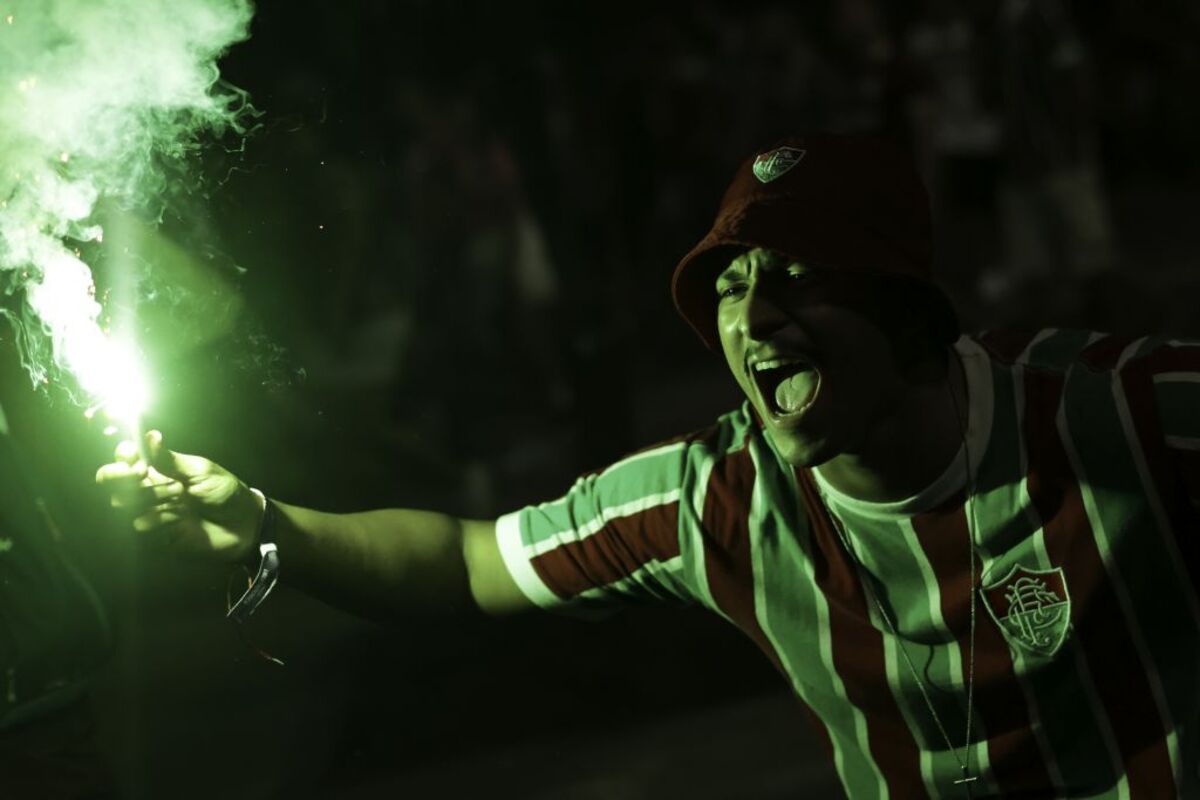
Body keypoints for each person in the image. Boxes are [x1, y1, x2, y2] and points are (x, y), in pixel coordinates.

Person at [96, 133, 1200, 798]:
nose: (755, 317)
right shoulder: (713, 496)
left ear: (909, 310)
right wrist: (263, 520)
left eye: (801, 274)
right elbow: (472, 560)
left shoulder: (1120, 415)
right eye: (729, 283)